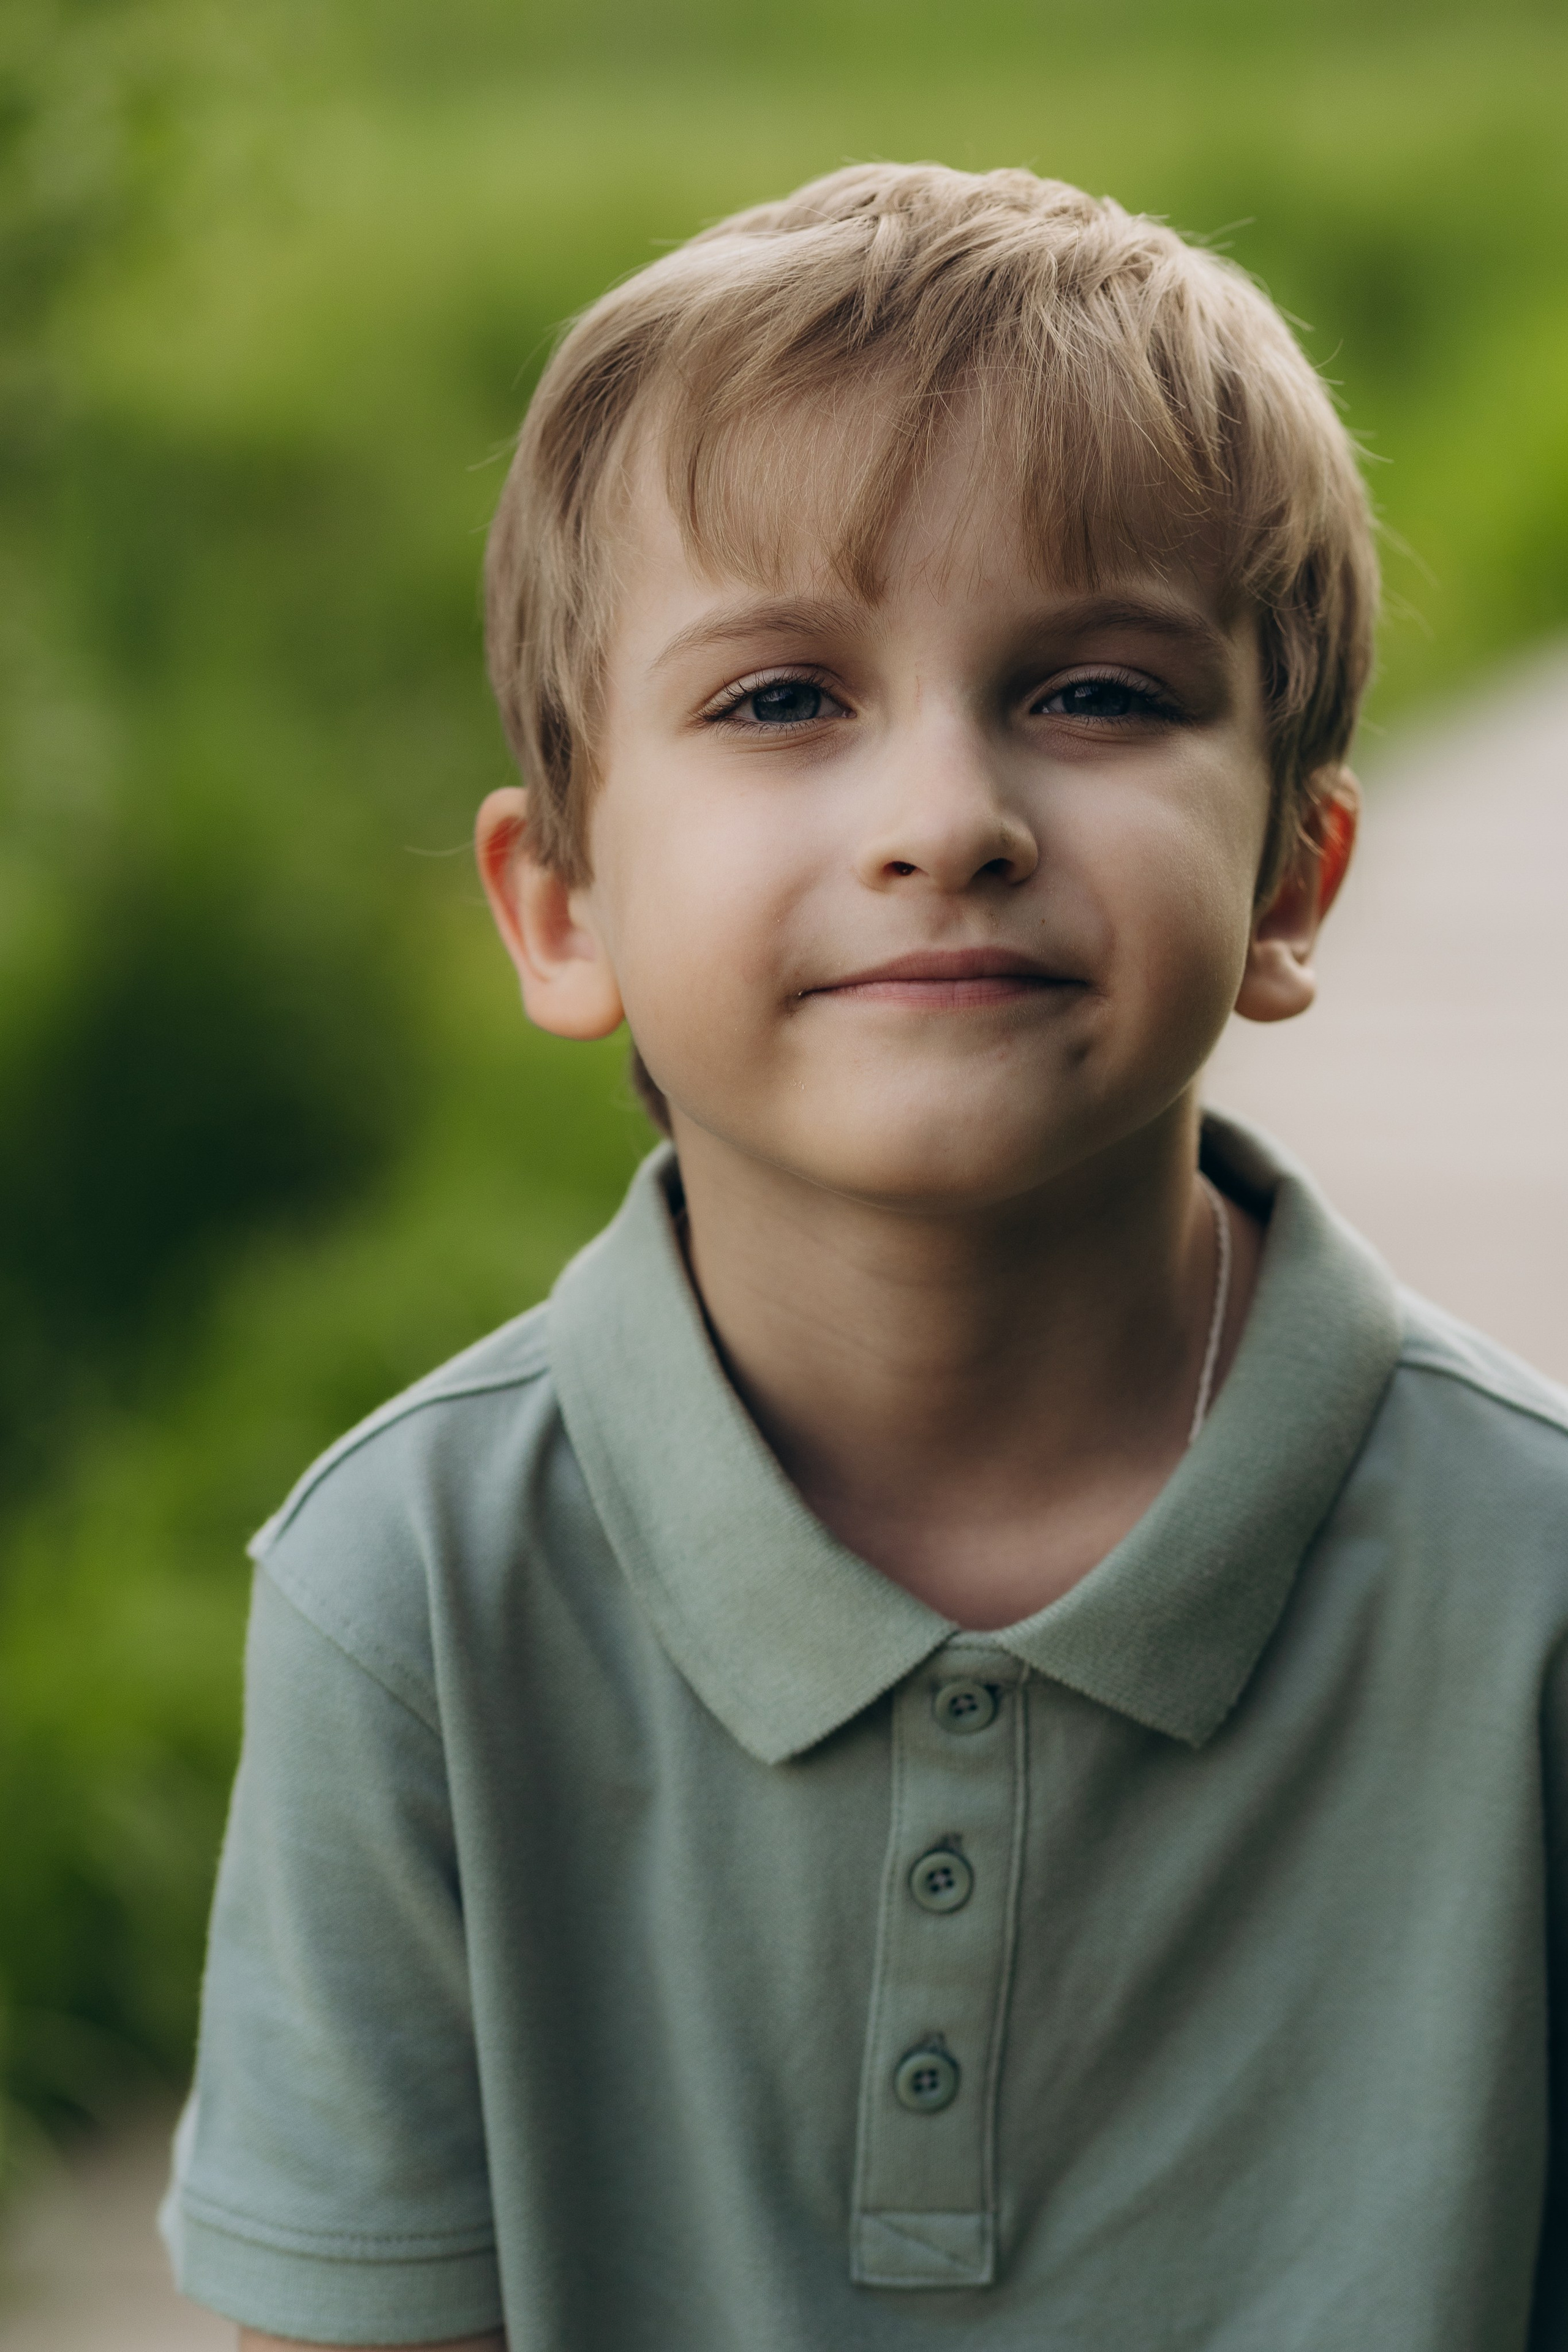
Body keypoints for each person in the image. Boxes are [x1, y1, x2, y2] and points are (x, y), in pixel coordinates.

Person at [162, 165, 1567, 2350]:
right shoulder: (415, 1594)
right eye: (783, 702)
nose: (948, 814)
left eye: (1096, 694)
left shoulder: (1540, 1586)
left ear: (1296, 874)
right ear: (562, 907)